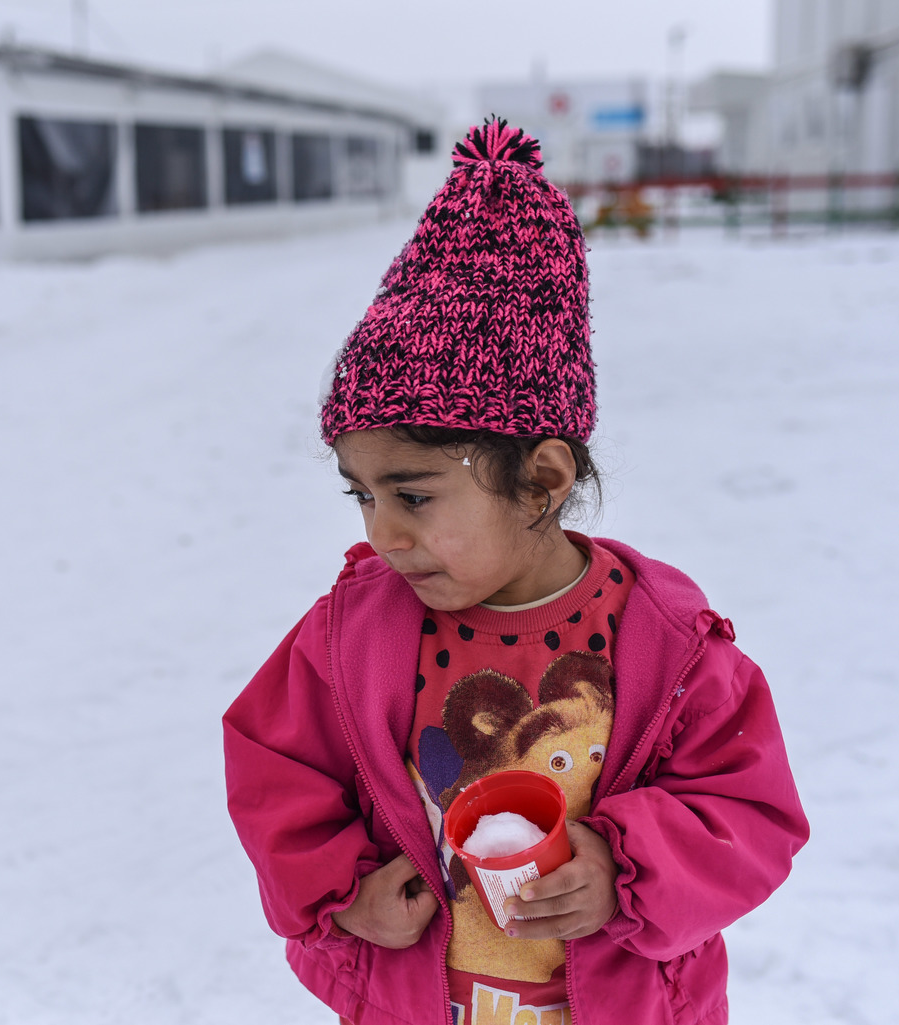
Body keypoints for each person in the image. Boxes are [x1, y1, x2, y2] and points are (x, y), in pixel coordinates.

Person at [222, 119, 809, 1025]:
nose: (383, 532)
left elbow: (748, 811)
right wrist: (341, 893)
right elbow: (274, 769)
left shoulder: (665, 643)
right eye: (361, 495)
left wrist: (627, 867)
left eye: (412, 495)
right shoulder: (352, 634)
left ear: (539, 481)